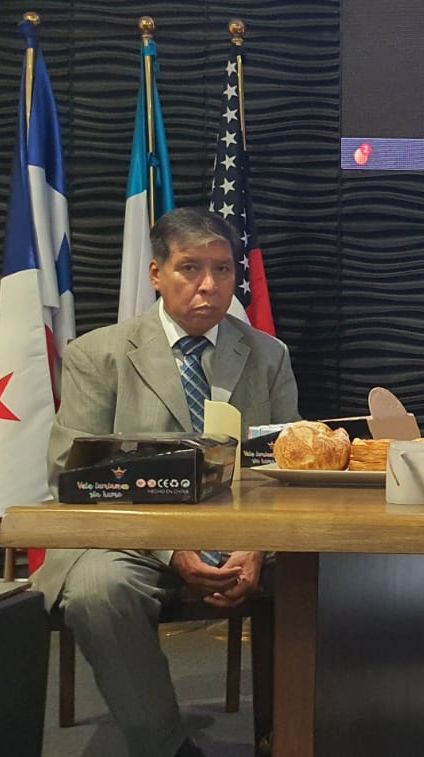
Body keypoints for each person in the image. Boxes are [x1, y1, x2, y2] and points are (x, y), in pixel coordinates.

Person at [31, 208, 300, 757]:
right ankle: (167, 747)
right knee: (98, 590)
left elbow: (285, 469)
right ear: (156, 273)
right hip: (130, 542)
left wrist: (257, 545)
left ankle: (300, 736)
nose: (209, 285)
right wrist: (170, 549)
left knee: (334, 576)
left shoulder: (268, 355)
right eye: (190, 268)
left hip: (245, 537)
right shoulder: (98, 355)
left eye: (222, 269)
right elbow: (71, 472)